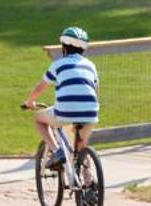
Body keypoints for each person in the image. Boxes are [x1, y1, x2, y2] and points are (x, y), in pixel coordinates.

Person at [23, 26, 98, 168]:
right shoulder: (91, 65)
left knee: (39, 119)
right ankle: (89, 183)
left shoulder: (58, 65)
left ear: (64, 47)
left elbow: (40, 87)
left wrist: (30, 101)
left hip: (65, 112)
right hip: (91, 112)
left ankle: (57, 151)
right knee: (81, 146)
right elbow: (95, 89)